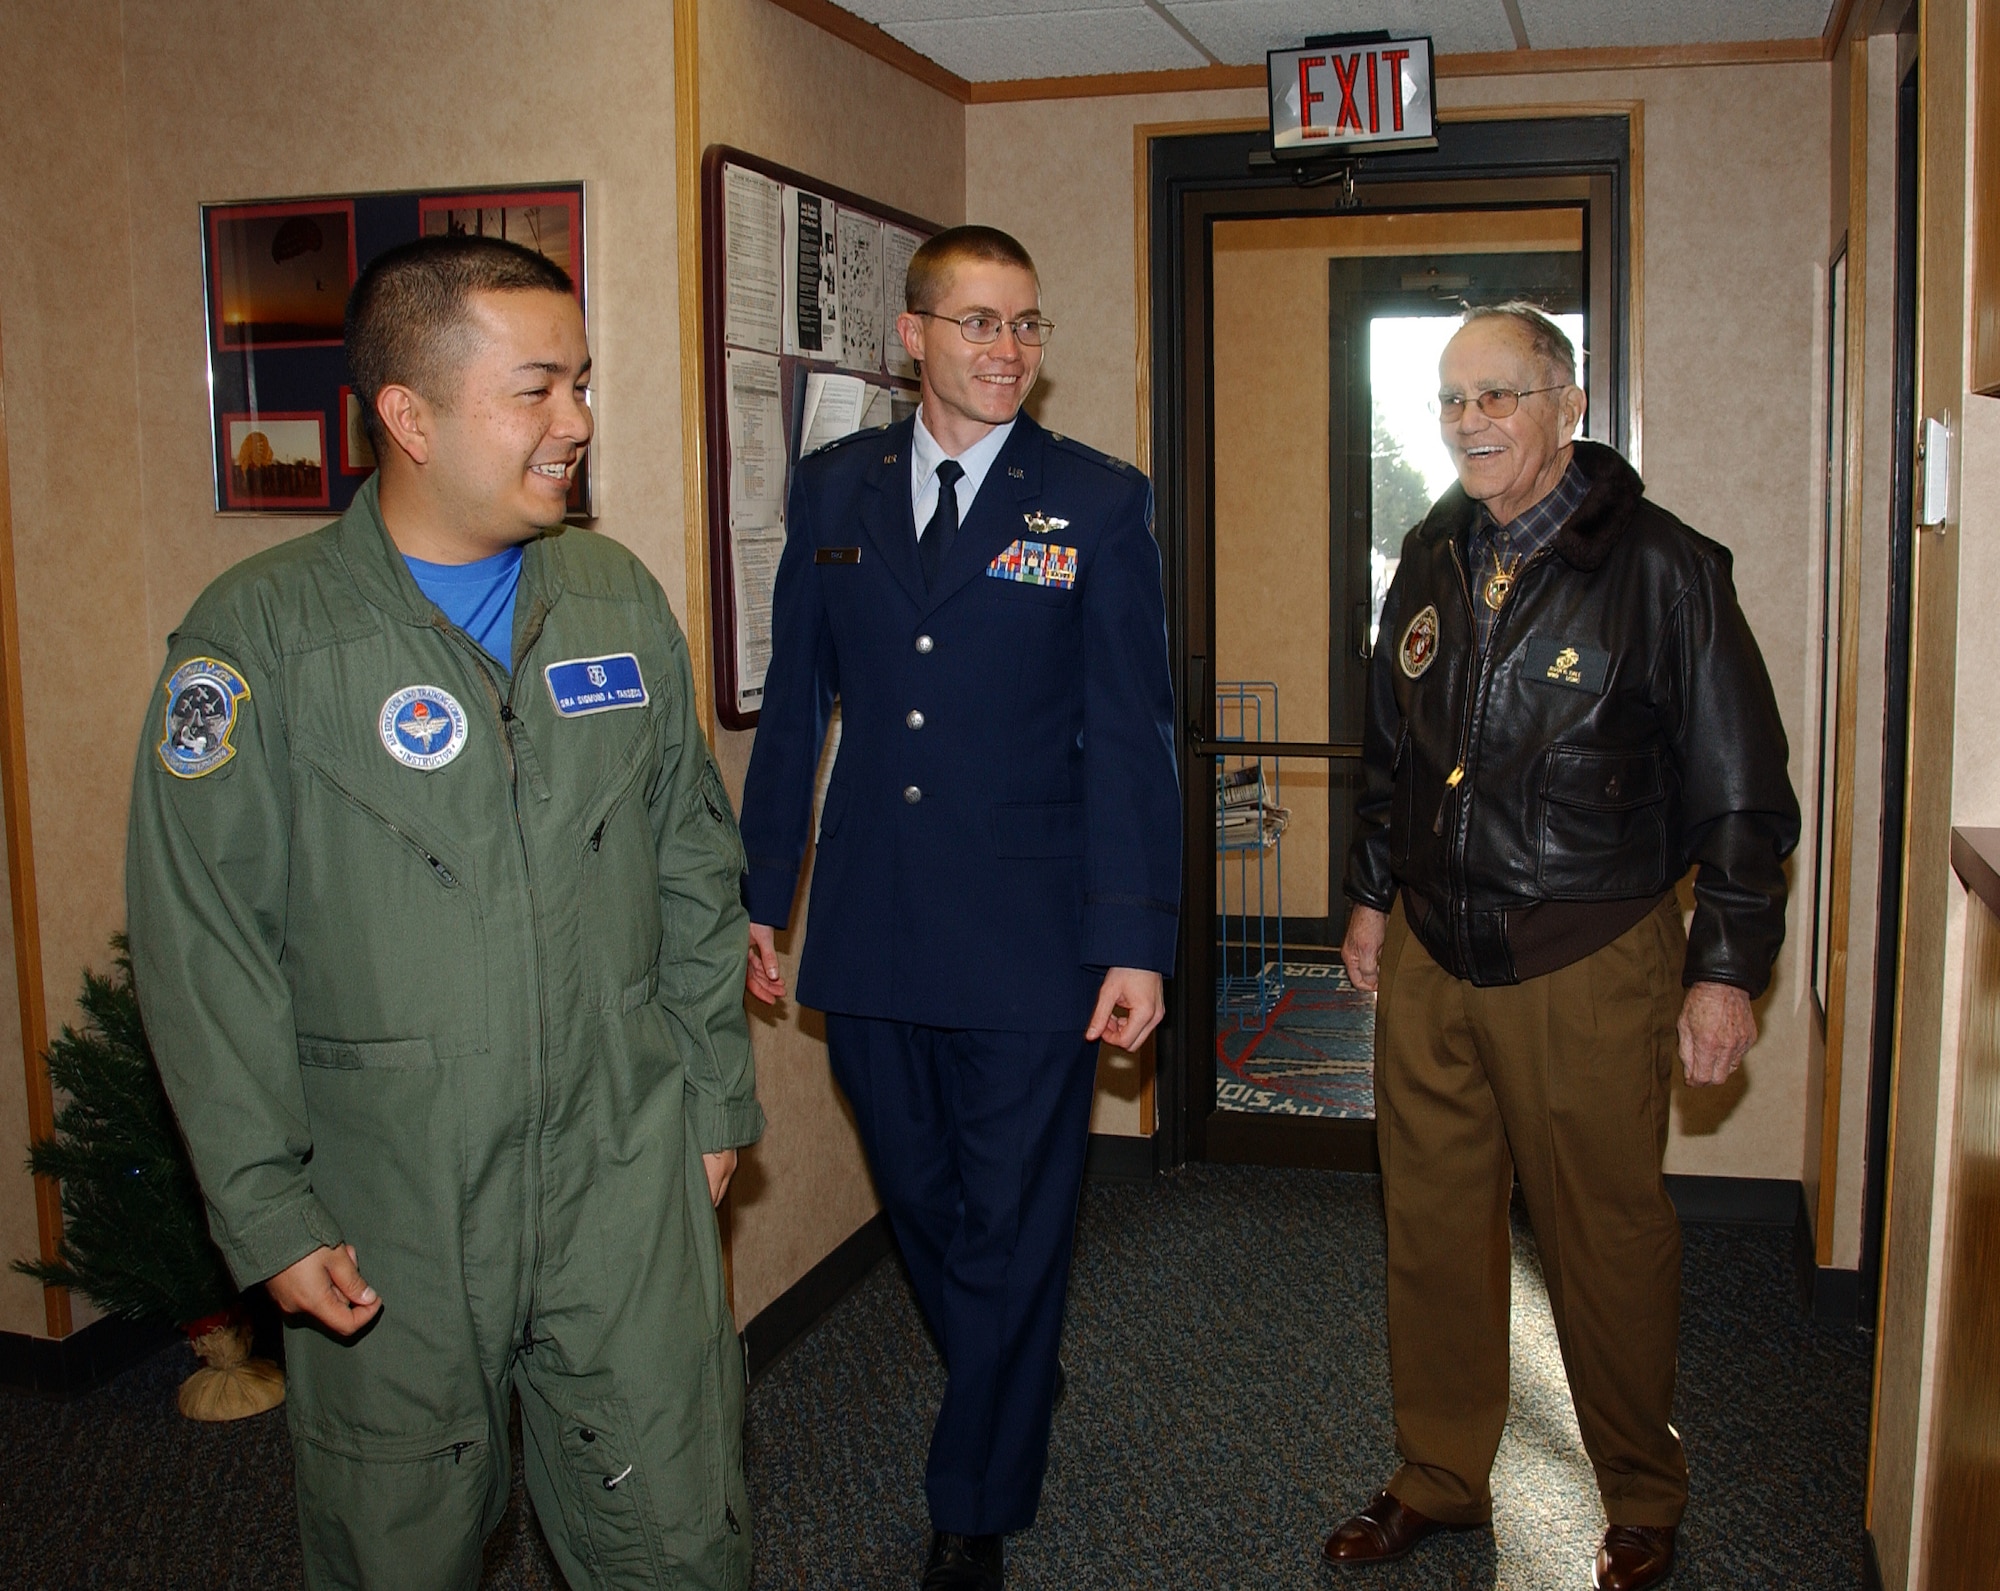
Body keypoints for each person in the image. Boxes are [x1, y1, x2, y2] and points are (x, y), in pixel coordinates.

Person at [127, 235, 762, 1591]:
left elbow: (693, 866)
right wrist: (267, 1208)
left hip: (620, 1161)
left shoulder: (616, 599)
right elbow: (204, 948)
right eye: (536, 391)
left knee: (674, 1529)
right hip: (391, 1200)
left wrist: (712, 1104)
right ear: (408, 416)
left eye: (581, 385)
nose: (578, 423)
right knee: (397, 1548)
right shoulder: (261, 643)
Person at [1325, 303, 1799, 1591]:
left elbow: (1744, 794)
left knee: (1606, 1235)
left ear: (1566, 403)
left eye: (1500, 395)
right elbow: (1393, 751)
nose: (1471, 422)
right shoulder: (1430, 552)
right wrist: (1369, 894)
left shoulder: (1665, 569)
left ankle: (1643, 1492)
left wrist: (1725, 971)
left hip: (1588, 957)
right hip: (1431, 949)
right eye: (1452, 400)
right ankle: (1439, 1474)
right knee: (1429, 1226)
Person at [737, 225, 1179, 1591]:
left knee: (1013, 1209)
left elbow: (1132, 730)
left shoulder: (1094, 502)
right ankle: (1010, 1363)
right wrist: (764, 893)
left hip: (1033, 932)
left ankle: (973, 1498)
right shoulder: (834, 489)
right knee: (922, 1195)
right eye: (980, 323)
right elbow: (797, 701)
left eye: (1028, 326)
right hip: (871, 916)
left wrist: (1134, 941)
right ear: (912, 338)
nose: (1008, 351)